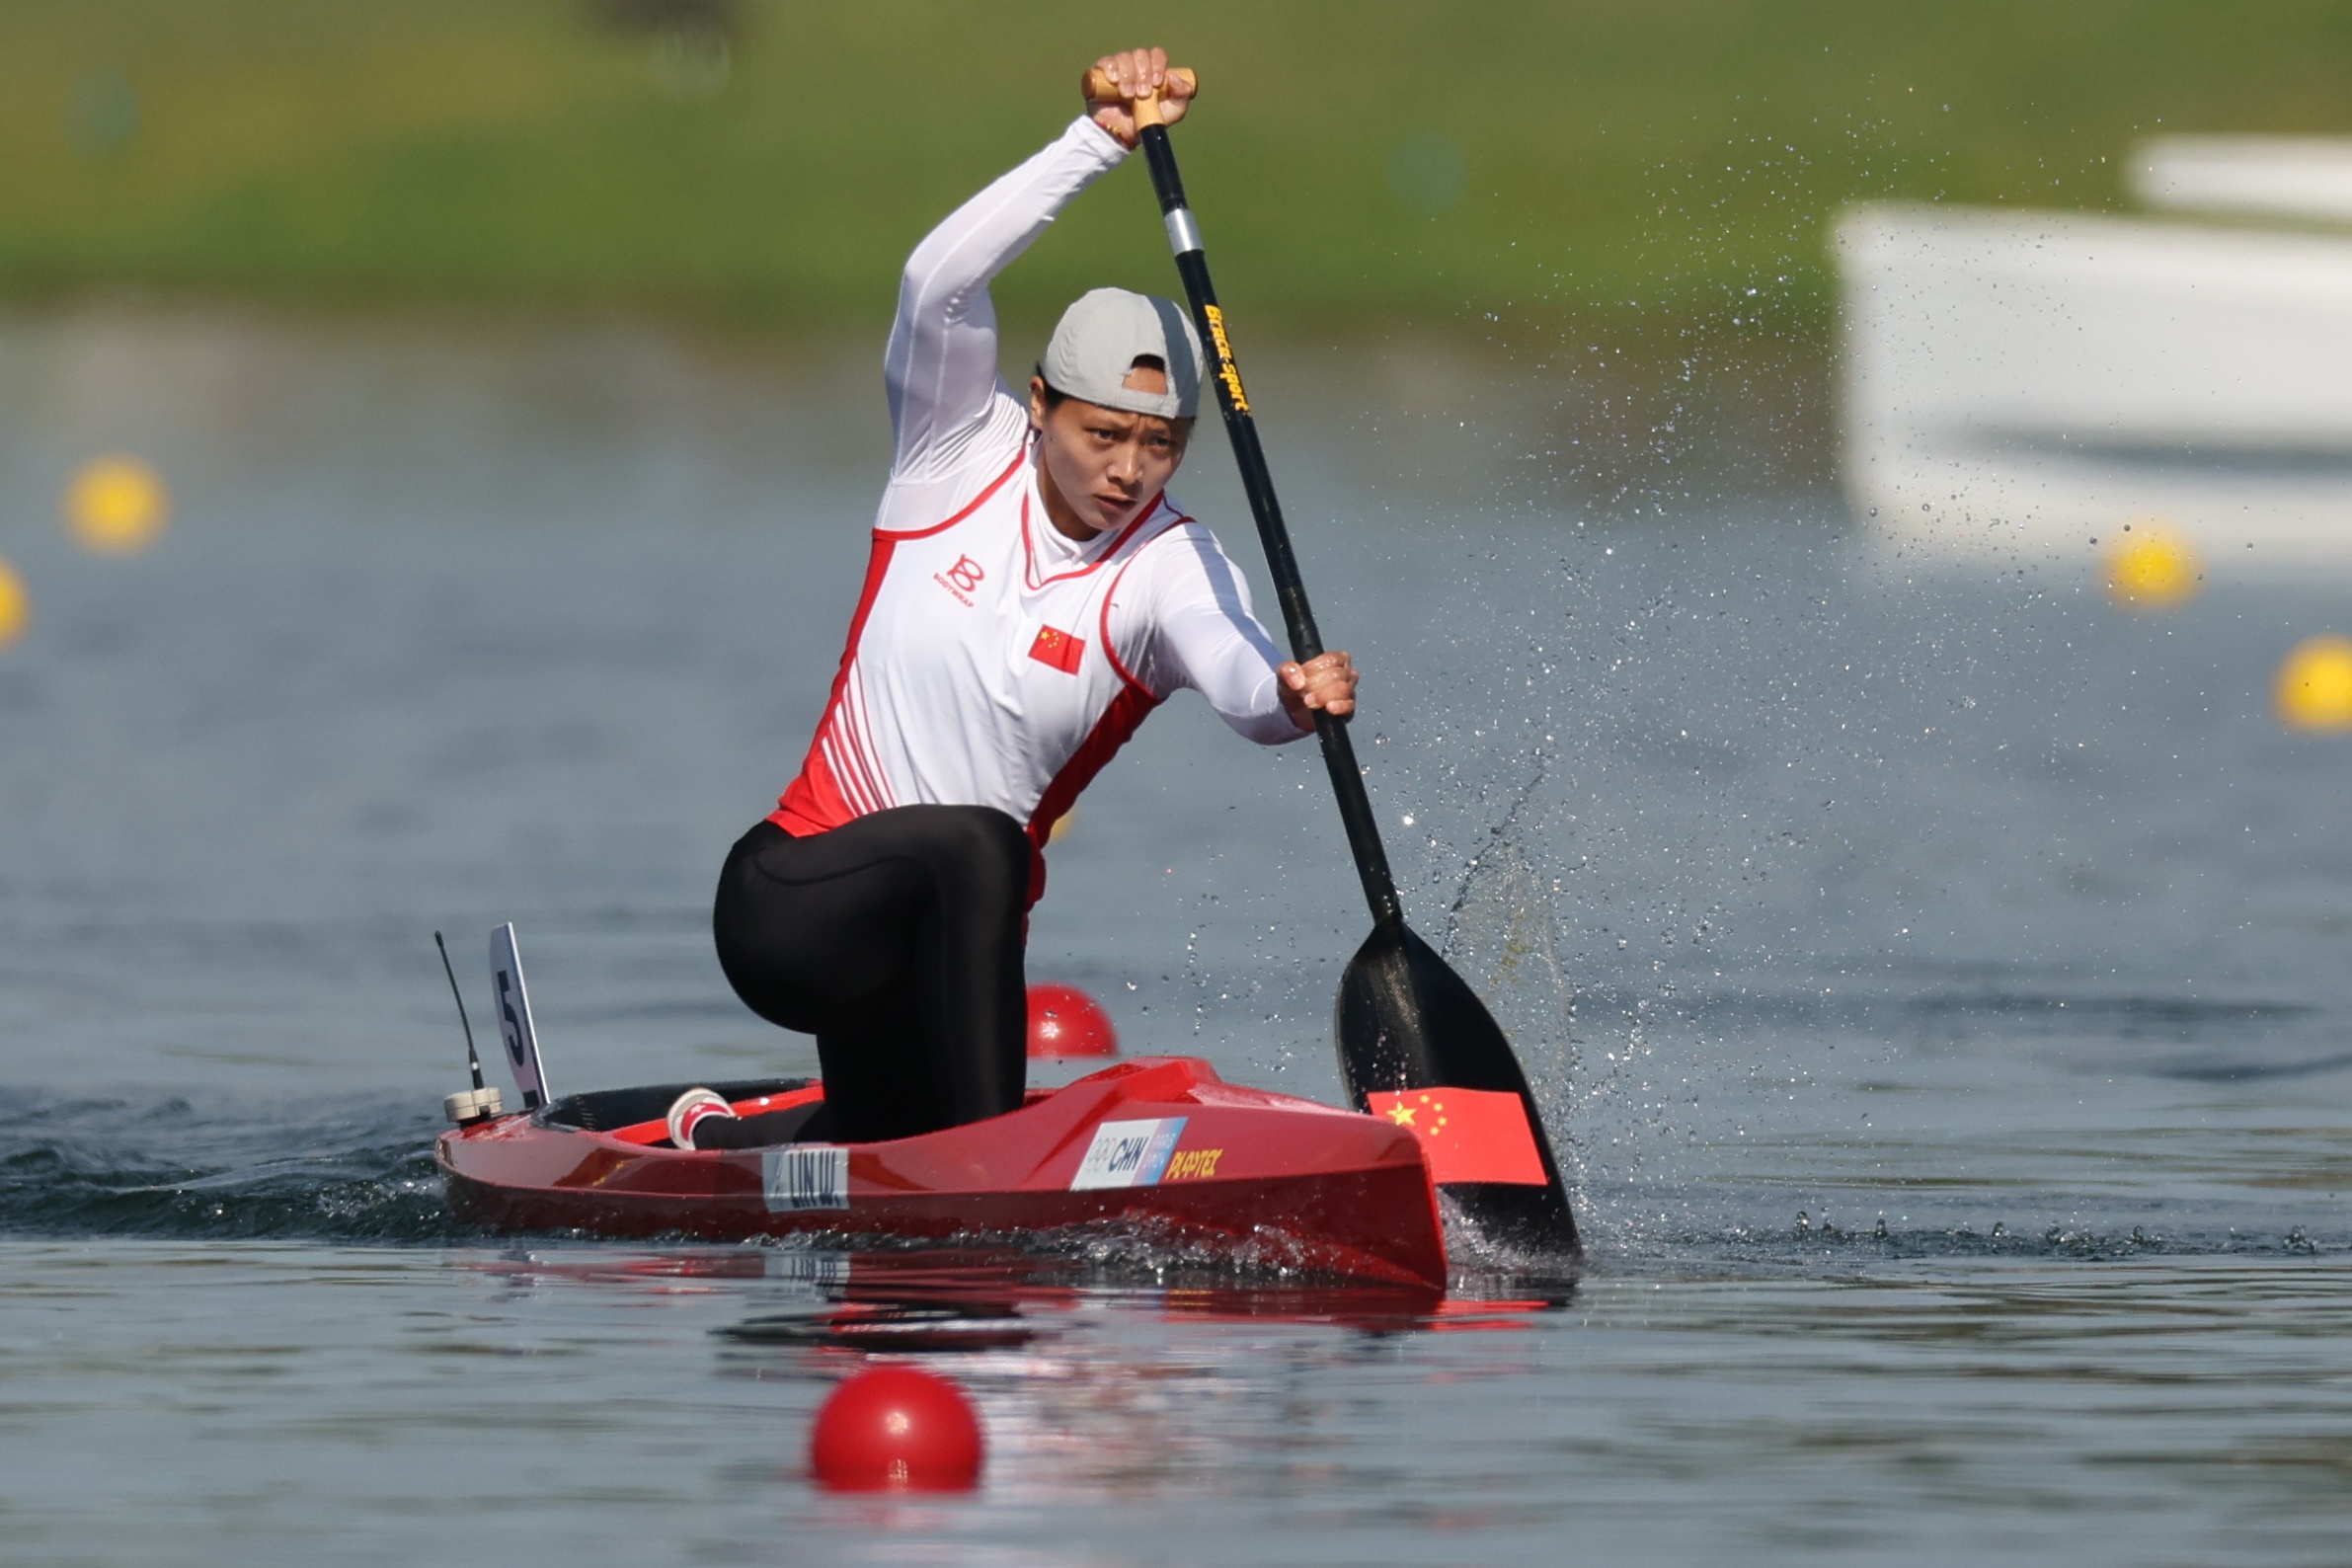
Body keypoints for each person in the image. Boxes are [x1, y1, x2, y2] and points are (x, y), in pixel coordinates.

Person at [670, 47, 1360, 1152]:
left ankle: (714, 1141)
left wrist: (1292, 695)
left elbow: (1240, 671)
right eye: (1104, 433)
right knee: (982, 847)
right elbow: (934, 281)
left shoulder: (1170, 566)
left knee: (877, 1152)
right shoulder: (956, 446)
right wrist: (1096, 143)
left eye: (1160, 443)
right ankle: (994, 1162)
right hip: (790, 908)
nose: (1130, 469)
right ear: (1039, 405)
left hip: (921, 963)